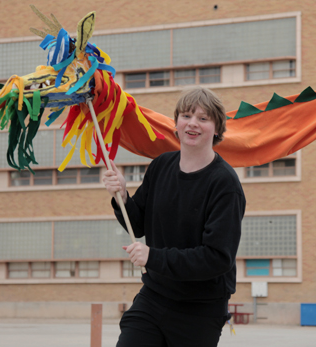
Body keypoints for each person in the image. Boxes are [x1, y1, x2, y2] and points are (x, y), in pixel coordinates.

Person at [103, 86, 246, 347]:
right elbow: (137, 224)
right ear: (177, 124)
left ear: (216, 129)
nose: (193, 124)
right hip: (154, 295)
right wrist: (122, 196)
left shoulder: (224, 184)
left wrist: (153, 256)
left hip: (200, 309)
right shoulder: (161, 166)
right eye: (186, 116)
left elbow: (217, 258)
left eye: (203, 118)